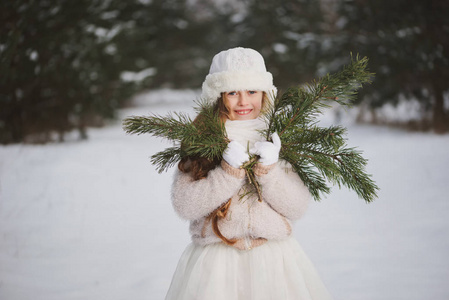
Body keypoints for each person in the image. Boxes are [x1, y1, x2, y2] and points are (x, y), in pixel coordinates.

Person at [165, 47, 333, 300]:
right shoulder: (201, 139)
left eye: (252, 91)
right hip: (216, 263)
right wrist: (228, 173)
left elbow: (296, 207)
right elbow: (185, 205)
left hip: (274, 260)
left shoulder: (277, 138)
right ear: (218, 96)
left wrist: (269, 170)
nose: (244, 102)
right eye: (233, 92)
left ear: (265, 93)